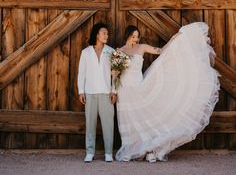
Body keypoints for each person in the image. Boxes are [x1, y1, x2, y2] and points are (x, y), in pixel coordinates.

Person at [115, 23, 220, 162]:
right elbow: (115, 74)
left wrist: (174, 39)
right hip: (124, 90)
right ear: (127, 36)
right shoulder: (119, 51)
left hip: (138, 87)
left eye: (137, 37)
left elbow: (160, 50)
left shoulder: (142, 47)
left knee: (144, 117)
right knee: (129, 118)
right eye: (133, 36)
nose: (136, 39)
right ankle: (132, 148)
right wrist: (114, 87)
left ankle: (150, 148)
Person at [78, 22, 117, 162]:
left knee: (108, 125)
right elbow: (81, 73)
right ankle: (89, 152)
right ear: (97, 34)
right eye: (104, 33)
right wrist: (81, 91)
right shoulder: (86, 52)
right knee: (90, 124)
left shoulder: (111, 52)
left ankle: (108, 153)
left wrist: (114, 91)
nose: (107, 35)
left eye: (107, 33)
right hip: (90, 93)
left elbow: (116, 75)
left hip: (106, 93)